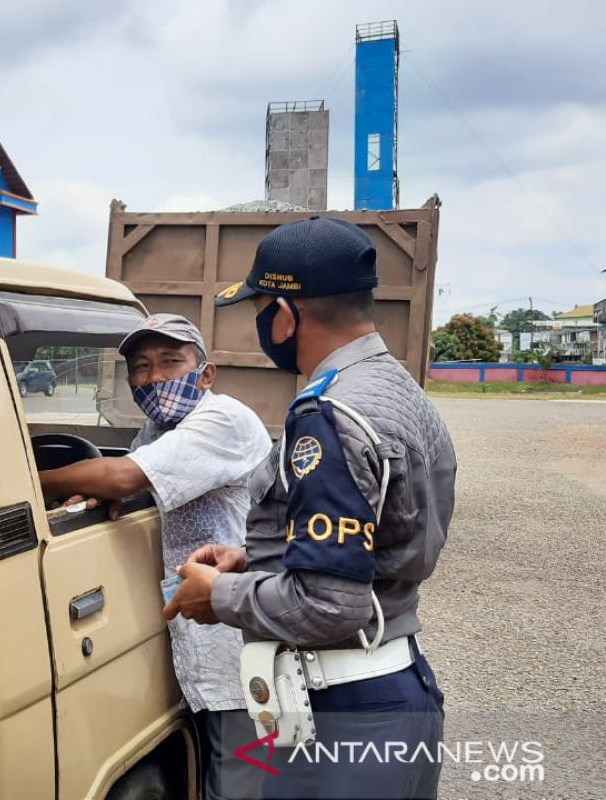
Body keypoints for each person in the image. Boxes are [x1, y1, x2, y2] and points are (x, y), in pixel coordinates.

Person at [164, 216, 455, 800]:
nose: (260, 327)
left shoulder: (328, 417)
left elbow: (328, 605)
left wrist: (214, 597)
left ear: (286, 313)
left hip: (342, 718)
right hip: (397, 693)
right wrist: (256, 559)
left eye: (260, 310)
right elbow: (376, 538)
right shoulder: (397, 389)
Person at [39, 313, 270, 800]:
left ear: (205, 374)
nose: (155, 377)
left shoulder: (222, 419)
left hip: (235, 639)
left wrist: (33, 478)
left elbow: (124, 477)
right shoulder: (156, 430)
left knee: (241, 780)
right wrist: (96, 491)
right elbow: (134, 483)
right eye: (141, 367)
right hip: (196, 634)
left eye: (171, 361)